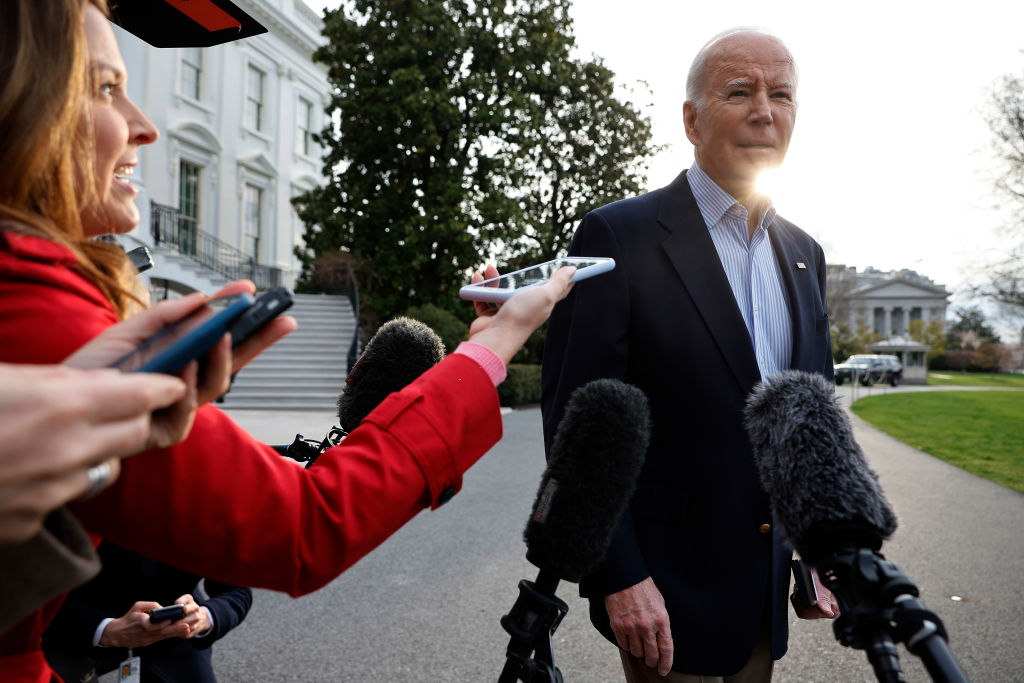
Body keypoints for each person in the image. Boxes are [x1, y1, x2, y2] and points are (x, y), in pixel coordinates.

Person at [0, 2, 574, 681]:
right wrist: (496, 344)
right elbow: (305, 527)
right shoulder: (27, 298)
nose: (144, 124)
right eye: (103, 88)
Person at [541, 28, 839, 682]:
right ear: (691, 119)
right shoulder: (615, 235)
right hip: (666, 596)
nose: (765, 110)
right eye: (740, 91)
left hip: (762, 594)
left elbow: (813, 419)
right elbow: (576, 423)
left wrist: (823, 551)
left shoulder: (805, 253)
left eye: (781, 94)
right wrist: (618, 575)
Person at [43, 540, 252, 683]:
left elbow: (237, 591)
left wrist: (206, 616)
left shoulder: (208, 508)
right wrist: (104, 630)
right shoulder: (79, 496)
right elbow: (26, 591)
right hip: (75, 628)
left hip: (172, 631)